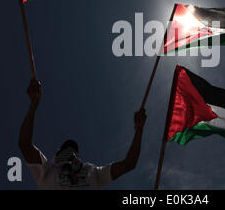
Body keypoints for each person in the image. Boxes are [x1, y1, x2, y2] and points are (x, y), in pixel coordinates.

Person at [18, 79, 146, 189]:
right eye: (66, 150)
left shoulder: (93, 172)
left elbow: (129, 163)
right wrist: (33, 104)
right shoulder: (48, 171)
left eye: (74, 151)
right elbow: (25, 145)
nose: (71, 153)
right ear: (56, 156)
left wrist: (139, 129)